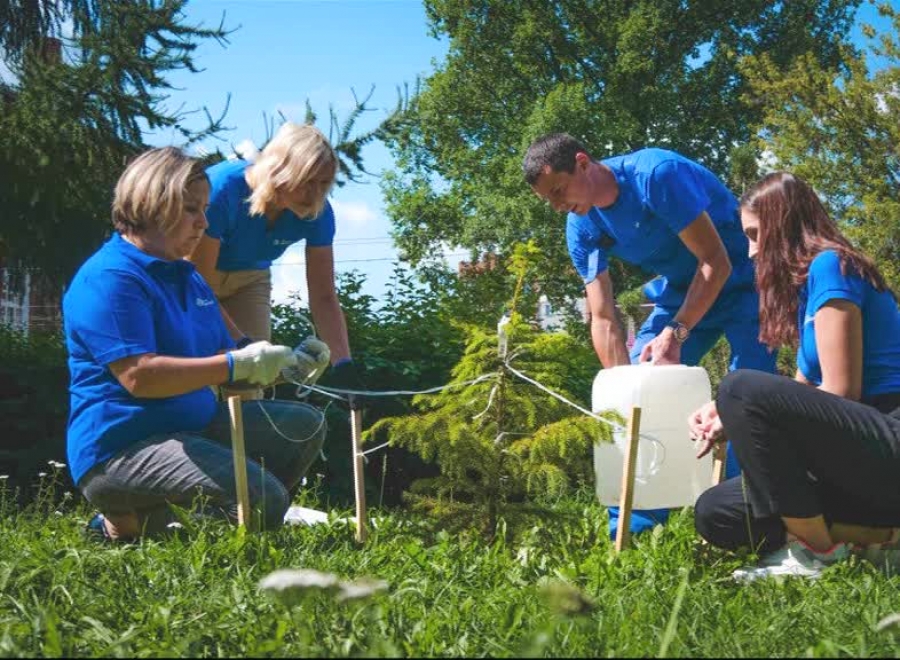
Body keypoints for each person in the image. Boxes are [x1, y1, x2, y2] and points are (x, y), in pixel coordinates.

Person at [64, 147, 329, 541]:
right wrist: (237, 364)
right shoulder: (111, 278)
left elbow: (235, 367)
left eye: (204, 208)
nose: (204, 222)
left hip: (189, 430)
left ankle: (210, 518)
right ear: (152, 204)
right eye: (191, 209)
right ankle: (121, 524)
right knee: (264, 500)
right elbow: (140, 378)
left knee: (305, 425)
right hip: (121, 450)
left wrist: (285, 365)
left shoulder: (187, 277)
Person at [523, 133, 777, 538]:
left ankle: (743, 520)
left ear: (584, 163)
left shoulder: (656, 176)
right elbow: (603, 316)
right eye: (548, 200)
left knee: (744, 393)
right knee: (643, 383)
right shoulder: (581, 226)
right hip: (682, 291)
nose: (558, 206)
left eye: (559, 190)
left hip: (747, 284)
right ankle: (633, 530)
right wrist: (624, 395)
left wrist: (677, 331)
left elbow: (717, 262)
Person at [690, 172, 900, 580]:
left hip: (887, 437)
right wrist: (726, 416)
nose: (751, 252)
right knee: (716, 511)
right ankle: (880, 541)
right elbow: (802, 391)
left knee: (739, 385)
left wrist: (737, 402)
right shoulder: (807, 290)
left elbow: (841, 392)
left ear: (783, 227)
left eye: (755, 235)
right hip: (855, 459)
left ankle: (814, 553)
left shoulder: (832, 266)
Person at [187, 122, 362, 398]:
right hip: (195, 280)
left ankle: (244, 440)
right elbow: (197, 287)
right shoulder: (222, 190)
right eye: (307, 182)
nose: (316, 195)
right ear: (279, 170)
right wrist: (243, 345)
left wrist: (344, 365)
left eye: (324, 184)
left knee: (249, 386)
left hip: (250, 279)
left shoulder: (318, 213)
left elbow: (324, 296)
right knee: (204, 377)